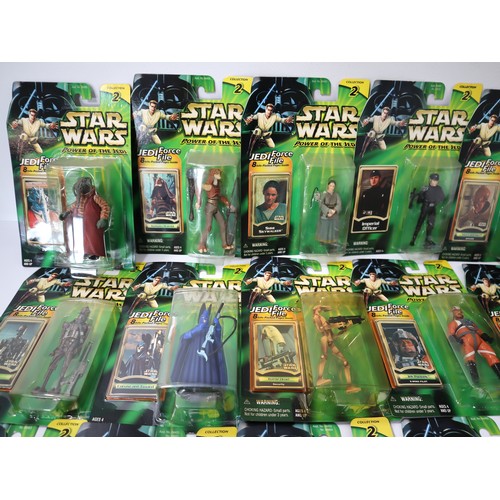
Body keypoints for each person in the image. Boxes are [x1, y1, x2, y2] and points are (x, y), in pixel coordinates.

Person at [33, 306, 91, 395]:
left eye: (85, 315)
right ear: (79, 314)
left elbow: (83, 340)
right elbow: (62, 336)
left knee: (64, 368)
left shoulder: (85, 326)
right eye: (82, 314)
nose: (82, 317)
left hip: (72, 347)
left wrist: (77, 349)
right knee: (51, 366)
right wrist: (58, 347)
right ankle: (43, 386)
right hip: (63, 345)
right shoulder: (68, 324)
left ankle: (57, 388)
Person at [170, 303, 227, 386]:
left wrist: (218, 328)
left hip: (209, 361)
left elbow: (217, 341)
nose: (205, 320)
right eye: (203, 317)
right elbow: (184, 338)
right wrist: (197, 330)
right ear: (199, 318)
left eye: (206, 318)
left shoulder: (211, 330)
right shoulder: (196, 329)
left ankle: (210, 387)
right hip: (193, 360)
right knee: (192, 372)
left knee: (209, 374)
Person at [312, 305, 360, 392]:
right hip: (324, 339)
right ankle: (319, 379)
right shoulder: (316, 317)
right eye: (319, 307)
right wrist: (334, 325)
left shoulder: (322, 317)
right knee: (323, 357)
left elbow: (334, 336)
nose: (321, 308)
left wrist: (347, 326)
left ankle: (349, 386)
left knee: (345, 362)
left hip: (330, 342)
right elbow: (320, 329)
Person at [59, 176, 110, 260]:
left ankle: (95, 253)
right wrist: (66, 212)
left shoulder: (95, 197)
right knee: (82, 239)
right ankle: (85, 252)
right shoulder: (81, 198)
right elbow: (73, 206)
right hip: (80, 222)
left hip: (92, 223)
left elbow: (105, 206)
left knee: (93, 239)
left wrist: (103, 218)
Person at [447, 306, 500, 385]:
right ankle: (476, 383)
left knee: (492, 357)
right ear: (452, 313)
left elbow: (478, 330)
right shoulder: (453, 323)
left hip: (480, 341)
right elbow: (451, 335)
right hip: (466, 341)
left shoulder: (469, 321)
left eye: (460, 310)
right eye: (456, 311)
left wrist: (487, 337)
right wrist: (456, 340)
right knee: (470, 360)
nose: (459, 312)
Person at [196, 168, 234, 253]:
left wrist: (226, 202)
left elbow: (220, 196)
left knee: (223, 224)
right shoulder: (208, 186)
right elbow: (198, 187)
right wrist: (198, 201)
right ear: (213, 174)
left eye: (219, 174)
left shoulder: (217, 186)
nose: (219, 175)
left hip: (216, 208)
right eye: (217, 174)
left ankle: (225, 244)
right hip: (210, 207)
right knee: (208, 226)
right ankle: (201, 244)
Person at [409, 173, 446, 247]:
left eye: (436, 180)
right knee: (420, 223)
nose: (434, 182)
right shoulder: (425, 188)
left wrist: (437, 201)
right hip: (425, 207)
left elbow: (442, 198)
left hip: (433, 208)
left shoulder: (439, 188)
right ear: (430, 180)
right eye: (433, 180)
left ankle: (427, 241)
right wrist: (416, 197)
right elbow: (419, 199)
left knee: (431, 225)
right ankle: (413, 239)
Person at [316, 178, 341, 250]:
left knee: (332, 228)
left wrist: (334, 210)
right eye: (331, 185)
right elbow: (321, 204)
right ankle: (322, 240)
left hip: (333, 213)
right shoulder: (323, 194)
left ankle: (331, 241)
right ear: (328, 186)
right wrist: (328, 211)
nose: (332, 187)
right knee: (324, 228)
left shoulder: (336, 195)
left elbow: (339, 204)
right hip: (325, 214)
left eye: (333, 186)